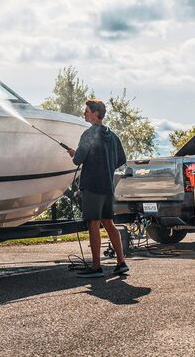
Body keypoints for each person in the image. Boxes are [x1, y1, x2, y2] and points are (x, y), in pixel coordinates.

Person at [65, 98, 128, 278]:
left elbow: (78, 160)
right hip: (108, 186)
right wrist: (106, 166)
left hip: (92, 186)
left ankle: (96, 267)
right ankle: (121, 262)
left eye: (87, 111)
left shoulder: (89, 134)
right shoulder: (112, 136)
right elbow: (121, 159)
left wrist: (73, 154)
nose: (84, 113)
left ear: (95, 114)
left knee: (93, 224)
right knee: (108, 223)